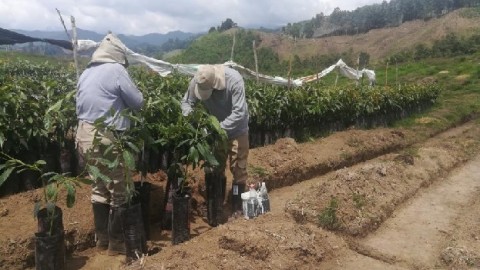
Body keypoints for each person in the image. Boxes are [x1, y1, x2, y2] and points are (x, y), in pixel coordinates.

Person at [75, 33, 144, 255]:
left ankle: (102, 240)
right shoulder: (116, 70)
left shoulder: (86, 72)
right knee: (119, 189)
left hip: (83, 134)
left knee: (99, 185)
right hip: (105, 136)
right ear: (117, 57)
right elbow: (138, 102)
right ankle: (117, 245)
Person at [181, 64, 250, 225]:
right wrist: (195, 121)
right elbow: (186, 104)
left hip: (237, 130)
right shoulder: (198, 80)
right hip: (214, 131)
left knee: (238, 169)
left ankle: (236, 207)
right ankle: (216, 208)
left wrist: (217, 129)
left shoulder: (234, 80)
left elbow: (239, 113)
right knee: (215, 168)